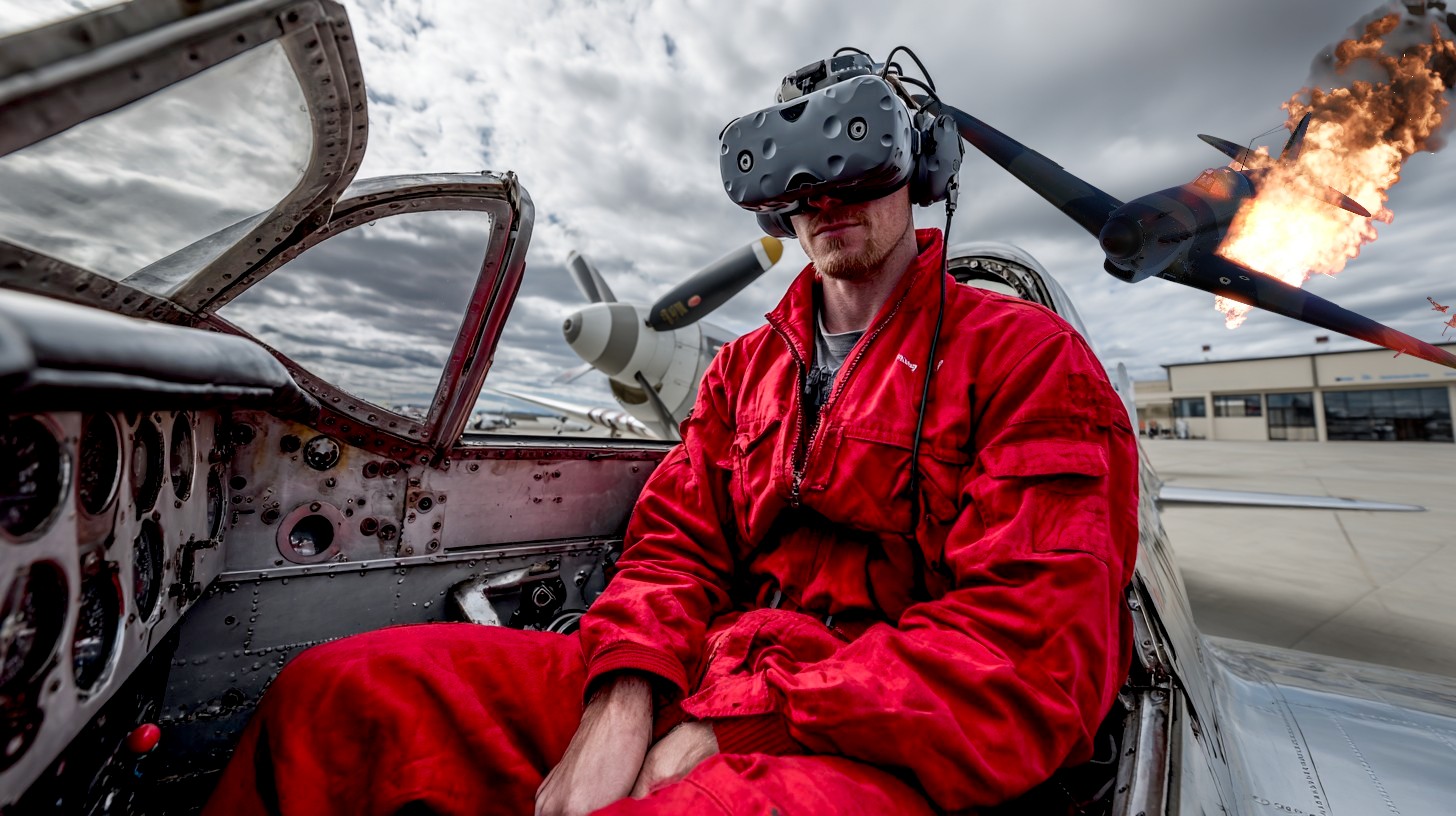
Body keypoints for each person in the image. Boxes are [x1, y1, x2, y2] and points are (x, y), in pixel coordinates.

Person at [205, 89, 1138, 816]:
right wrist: (624, 702)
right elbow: (672, 550)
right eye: (794, 170)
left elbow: (1027, 663)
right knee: (344, 695)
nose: (823, 196)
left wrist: (744, 721)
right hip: (705, 673)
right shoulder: (744, 370)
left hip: (882, 738)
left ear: (921, 168)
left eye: (856, 157)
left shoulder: (1027, 362)